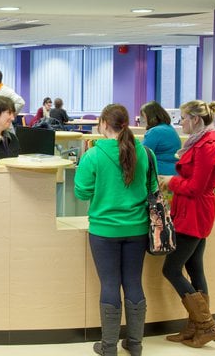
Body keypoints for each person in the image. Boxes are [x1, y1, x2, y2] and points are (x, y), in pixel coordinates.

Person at [74, 104, 154, 356]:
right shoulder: (145, 152)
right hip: (138, 228)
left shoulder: (93, 155)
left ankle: (108, 347)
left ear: (104, 124)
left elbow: (81, 192)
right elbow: (152, 187)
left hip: (104, 231)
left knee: (109, 284)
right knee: (134, 282)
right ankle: (135, 344)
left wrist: (102, 189)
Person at [158, 100, 215, 348]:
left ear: (195, 119)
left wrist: (170, 181)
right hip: (191, 212)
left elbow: (196, 187)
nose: (181, 122)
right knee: (195, 268)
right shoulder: (199, 143)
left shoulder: (208, 147)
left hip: (194, 214)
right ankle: (195, 327)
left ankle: (206, 325)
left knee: (171, 269)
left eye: (183, 118)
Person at [139, 101, 181, 176]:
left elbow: (142, 154)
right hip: (175, 171)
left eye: (144, 117)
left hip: (160, 172)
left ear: (150, 116)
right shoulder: (169, 128)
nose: (144, 120)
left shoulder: (155, 131)